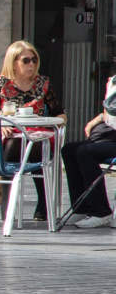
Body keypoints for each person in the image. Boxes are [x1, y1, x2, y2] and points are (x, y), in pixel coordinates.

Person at [0, 40, 65, 222]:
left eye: (34, 60)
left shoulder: (43, 84)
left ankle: (27, 202)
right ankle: (9, 201)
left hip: (38, 134)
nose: (32, 64)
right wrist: (1, 124)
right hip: (9, 136)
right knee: (14, 144)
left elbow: (60, 114)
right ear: (13, 62)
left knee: (34, 146)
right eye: (26, 60)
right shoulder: (2, 86)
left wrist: (50, 122)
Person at [61, 76, 116, 228]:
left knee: (85, 152)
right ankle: (81, 208)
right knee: (69, 150)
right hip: (108, 137)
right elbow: (109, 112)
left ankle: (101, 212)